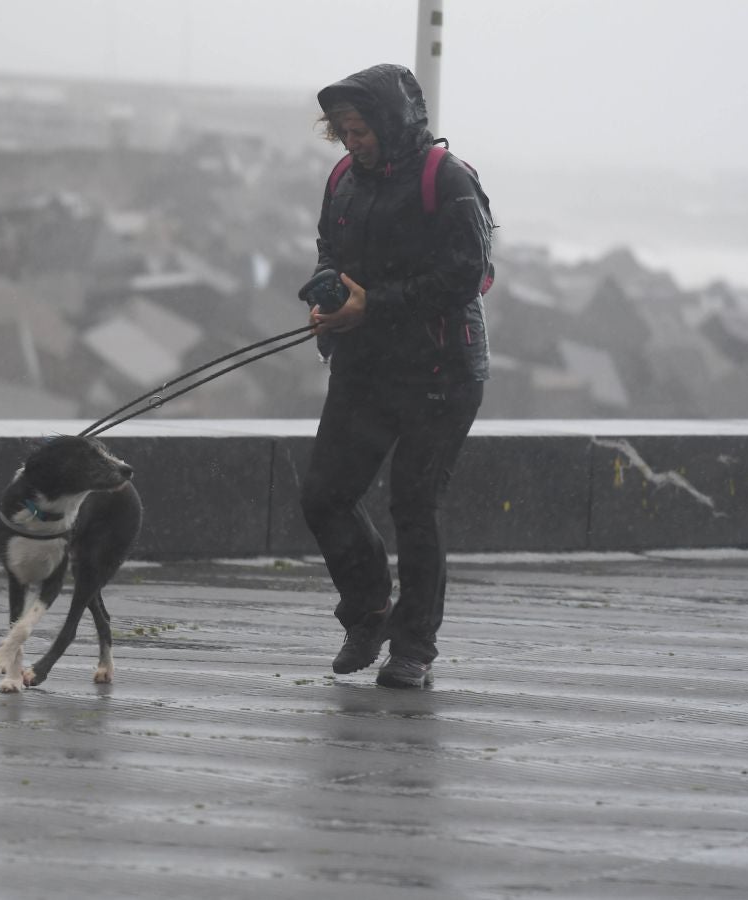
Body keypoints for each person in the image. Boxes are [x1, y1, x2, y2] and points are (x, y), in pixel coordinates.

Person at [300, 63, 493, 688]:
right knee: (324, 495)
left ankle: (413, 648)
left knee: (415, 504)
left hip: (442, 370)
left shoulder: (450, 180)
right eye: (342, 132)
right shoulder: (342, 181)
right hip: (364, 365)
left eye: (360, 130)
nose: (351, 142)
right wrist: (329, 299)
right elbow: (330, 250)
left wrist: (372, 305)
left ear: (390, 122)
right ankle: (368, 612)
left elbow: (468, 275)